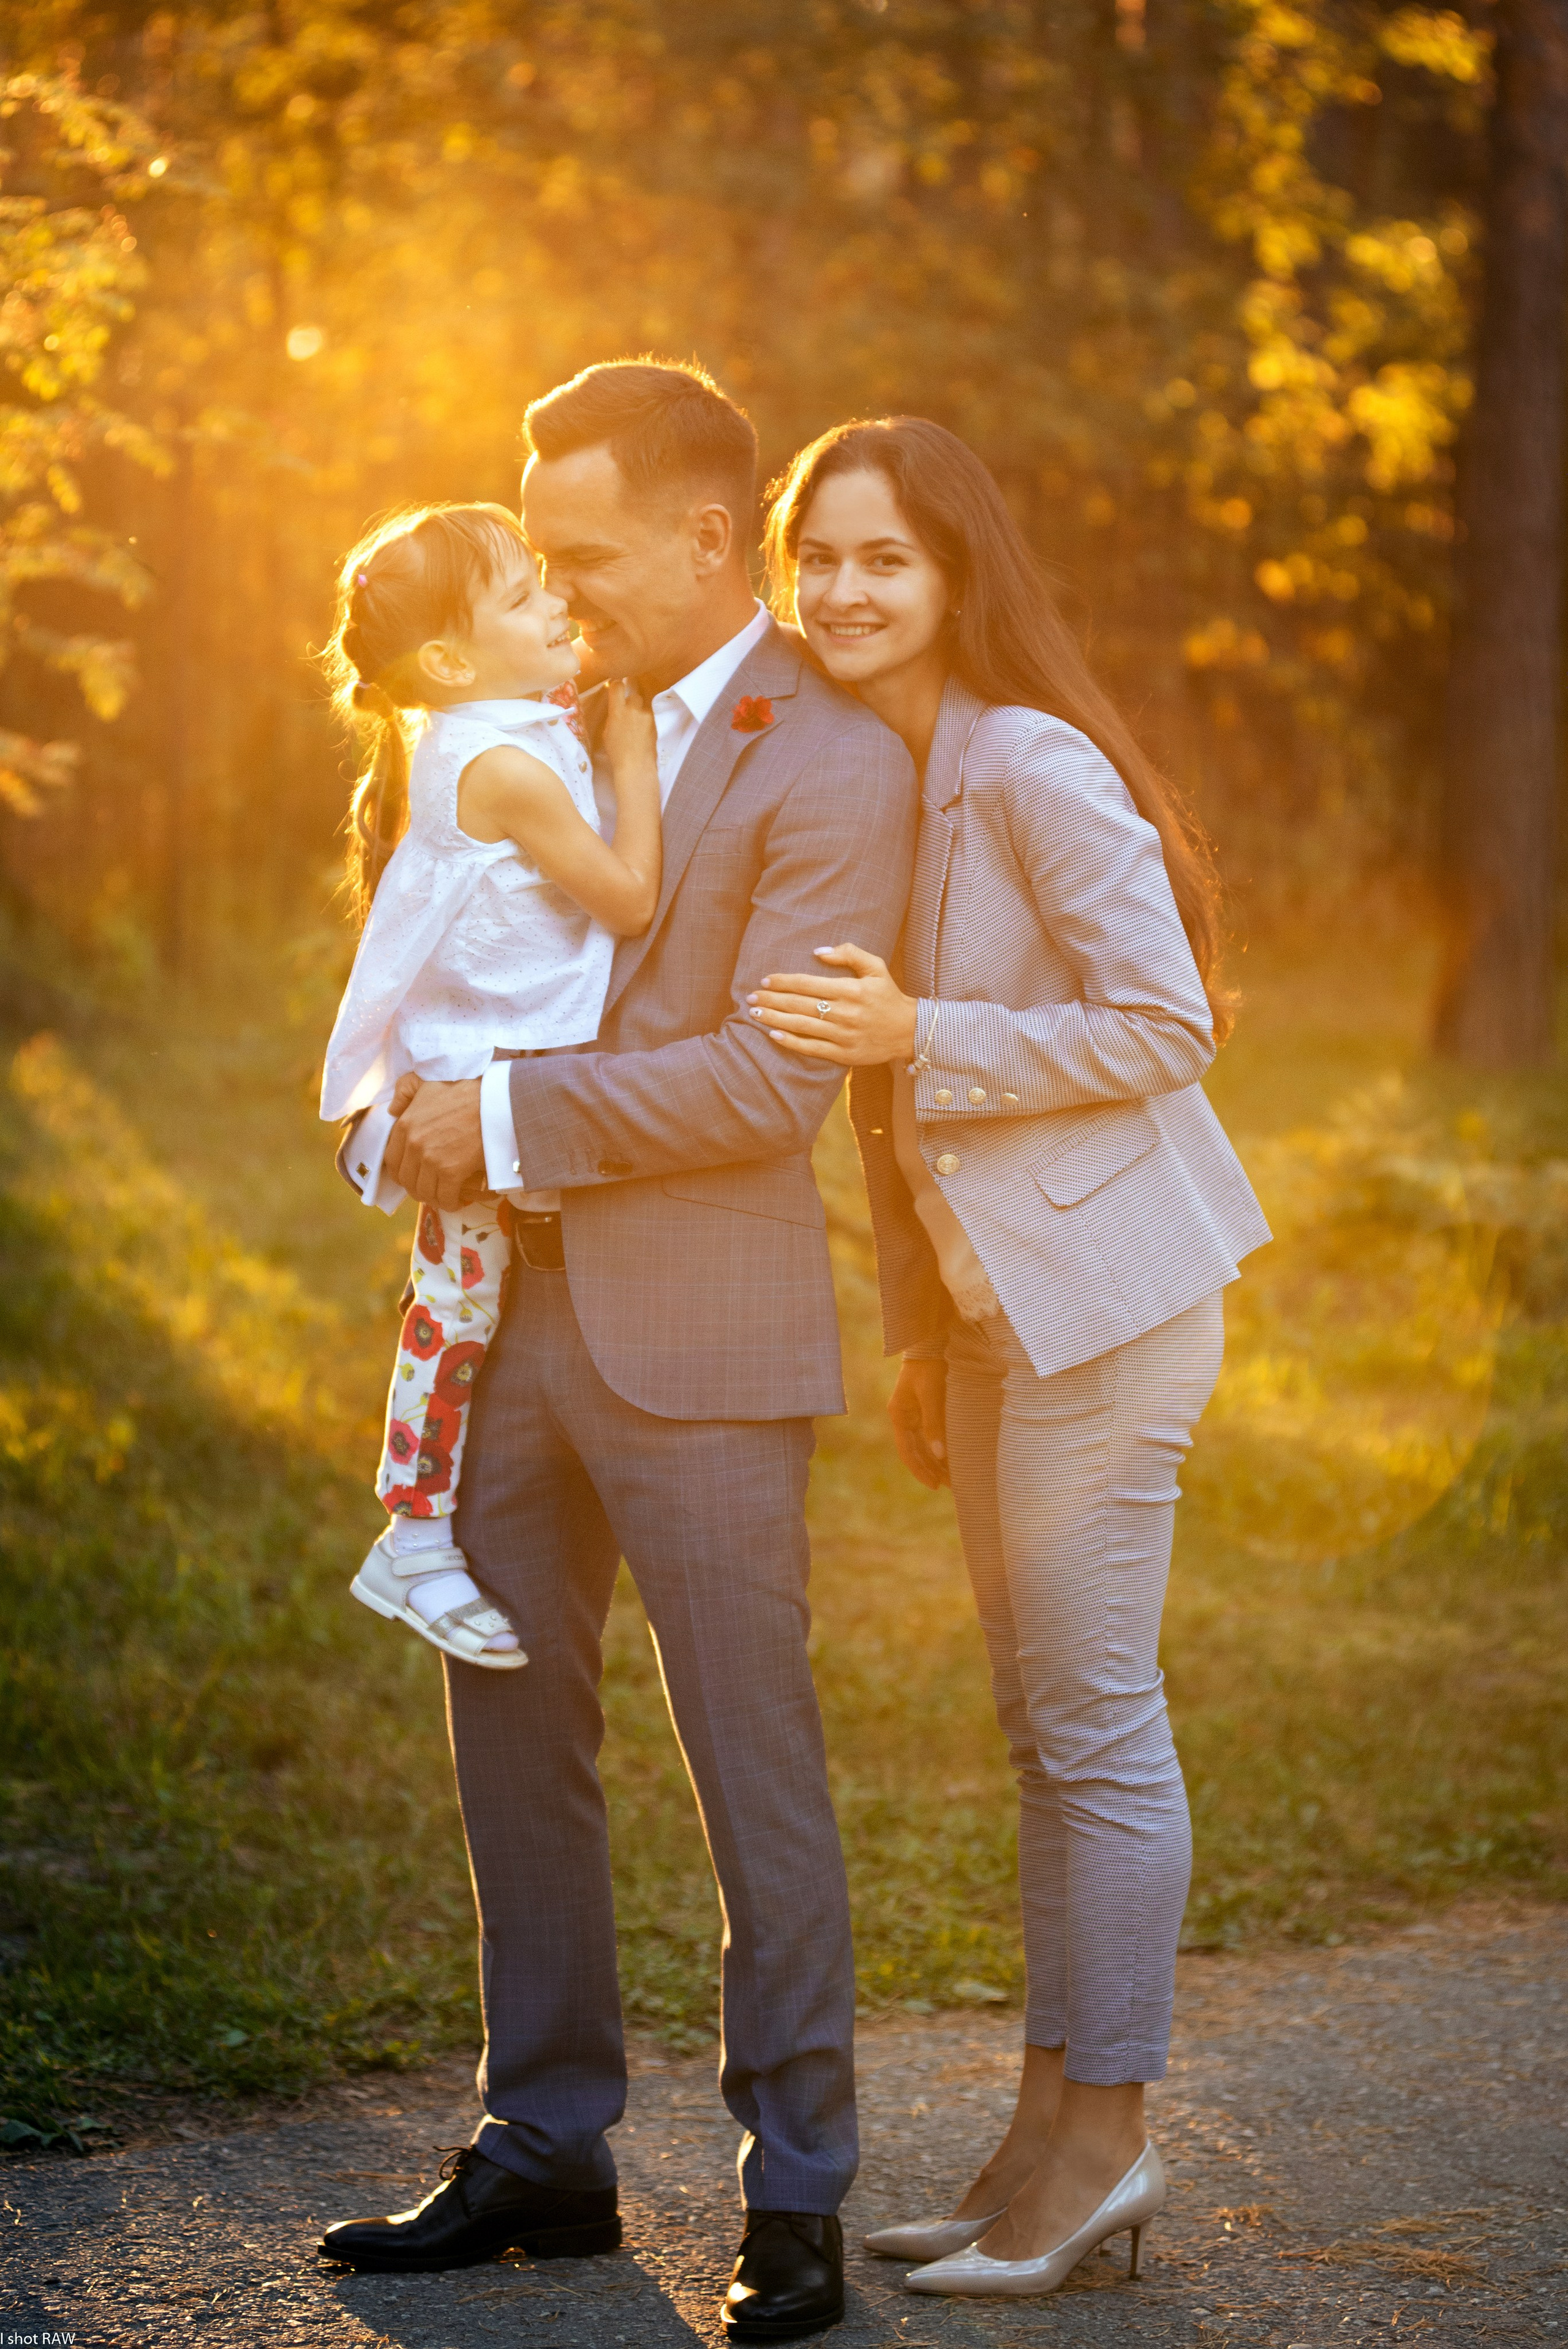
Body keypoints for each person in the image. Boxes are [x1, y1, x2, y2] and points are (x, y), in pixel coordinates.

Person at [317, 363, 920, 2343]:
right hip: (506, 1312)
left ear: (697, 535)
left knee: (755, 1756)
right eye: (535, 557)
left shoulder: (830, 759)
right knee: (510, 1732)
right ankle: (546, 2145)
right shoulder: (528, 716)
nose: (556, 590)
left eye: (581, 555)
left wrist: (488, 1120)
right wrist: (396, 1095)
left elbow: (765, 1078)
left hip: (709, 1328)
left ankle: (802, 2186)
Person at [750, 416, 1270, 2300]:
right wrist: (914, 1330)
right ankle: (1041, 2136)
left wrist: (925, 1025)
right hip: (989, 1322)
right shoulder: (890, 776)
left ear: (957, 573)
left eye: (883, 558)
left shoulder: (1032, 761)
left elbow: (1166, 1023)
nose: (844, 592)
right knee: (1046, 1729)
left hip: (1112, 1309)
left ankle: (1108, 2144)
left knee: (1098, 1725)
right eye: (819, 560)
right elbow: (894, 1115)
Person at [317, 502, 661, 1669]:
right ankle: (410, 1537)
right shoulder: (502, 765)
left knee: (485, 1300)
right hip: (474, 1087)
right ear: (453, 663)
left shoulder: (501, 723)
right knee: (457, 1305)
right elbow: (628, 900)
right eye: (525, 599)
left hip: (509, 1070)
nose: (559, 603)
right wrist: (635, 762)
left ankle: (454, 1513)